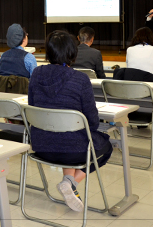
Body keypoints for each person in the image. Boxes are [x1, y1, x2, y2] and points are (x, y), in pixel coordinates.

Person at [28, 30, 113, 212]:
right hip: (74, 150)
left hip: (41, 147)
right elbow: (92, 122)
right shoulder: (80, 79)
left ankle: (69, 183)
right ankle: (71, 182)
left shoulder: (36, 74)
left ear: (49, 53)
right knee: (106, 145)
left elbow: (32, 107)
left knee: (69, 138)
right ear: (73, 53)